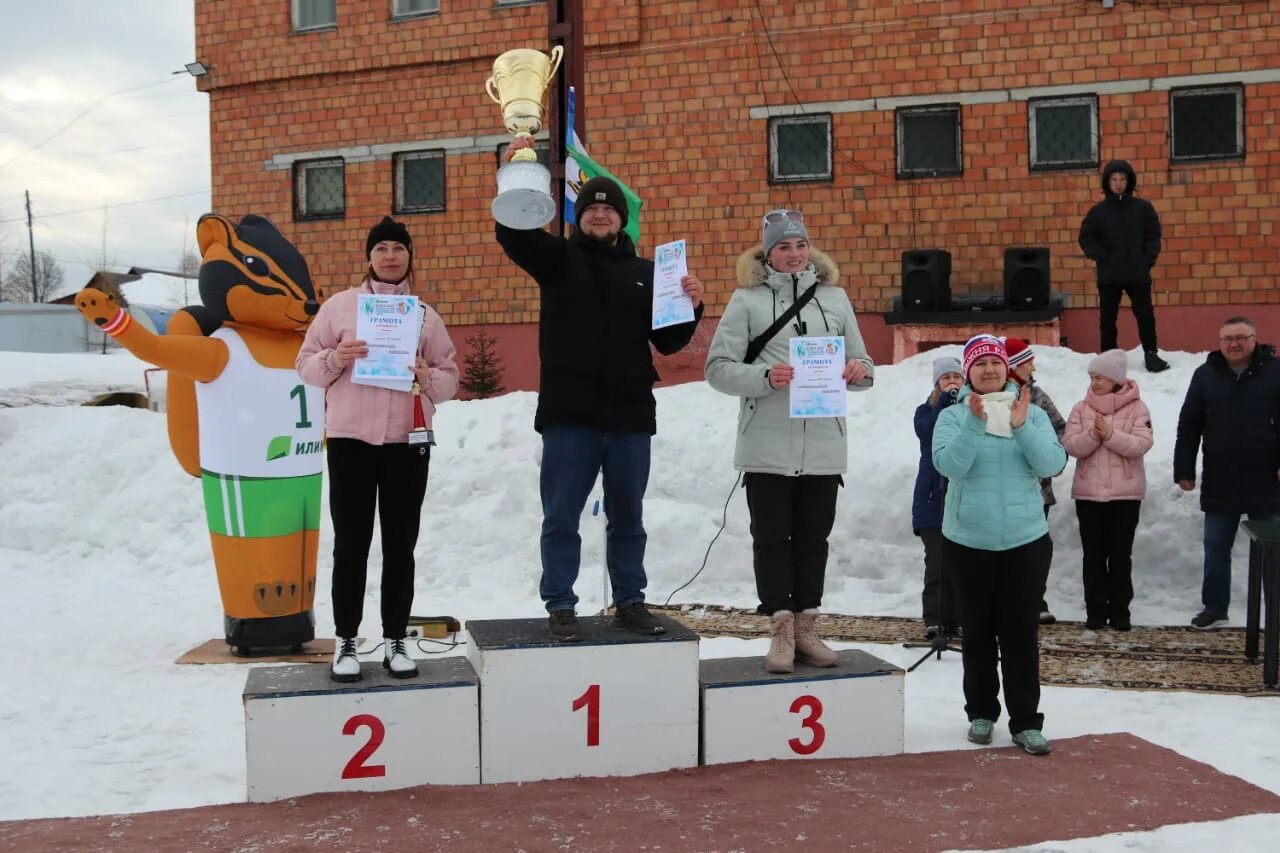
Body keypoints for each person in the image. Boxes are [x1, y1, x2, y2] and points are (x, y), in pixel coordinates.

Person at [495, 136, 704, 642]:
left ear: (621, 221)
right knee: (562, 516)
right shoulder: (557, 260)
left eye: (609, 212)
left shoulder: (649, 274)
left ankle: (630, 600)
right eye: (592, 210)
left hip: (631, 415)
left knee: (629, 517)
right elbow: (514, 235)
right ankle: (561, 603)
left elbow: (670, 342)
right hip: (571, 415)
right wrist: (515, 176)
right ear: (579, 218)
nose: (601, 217)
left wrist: (692, 305)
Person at [705, 209, 874, 673]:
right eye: (784, 247)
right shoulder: (746, 301)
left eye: (800, 245)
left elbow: (862, 363)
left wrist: (859, 371)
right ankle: (779, 630)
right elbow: (717, 369)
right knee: (772, 538)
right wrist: (764, 376)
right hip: (767, 444)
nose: (794, 255)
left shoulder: (836, 298)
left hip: (822, 443)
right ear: (768, 253)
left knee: (814, 539)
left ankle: (807, 628)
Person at [297, 216, 459, 682]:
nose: (390, 255)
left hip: (406, 444)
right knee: (351, 544)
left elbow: (449, 380)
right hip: (350, 442)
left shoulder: (425, 315)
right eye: (382, 247)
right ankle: (347, 641)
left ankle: (395, 641)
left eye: (399, 248)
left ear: (410, 257)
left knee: (400, 545)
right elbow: (305, 364)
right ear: (368, 257)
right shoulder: (340, 308)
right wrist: (336, 358)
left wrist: (426, 373)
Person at [932, 334, 1066, 755]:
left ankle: (1026, 721)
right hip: (968, 540)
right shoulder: (953, 416)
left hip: (1025, 540)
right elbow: (950, 465)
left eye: (995, 363)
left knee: (1020, 633)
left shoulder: (1030, 410)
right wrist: (973, 423)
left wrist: (1023, 427)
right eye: (979, 364)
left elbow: (1052, 464)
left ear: (1006, 368)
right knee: (978, 631)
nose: (989, 370)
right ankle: (981, 713)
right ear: (968, 371)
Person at [1174, 317, 1280, 630]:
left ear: (1254, 339)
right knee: (1216, 545)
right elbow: (1189, 424)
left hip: (1268, 478)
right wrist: (1184, 468)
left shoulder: (1275, 372)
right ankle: (1215, 607)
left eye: (1239, 337)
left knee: (1272, 549)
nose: (1233, 344)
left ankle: (1276, 609)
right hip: (1222, 478)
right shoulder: (1205, 375)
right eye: (1226, 339)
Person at [1061, 350, 1154, 631]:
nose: (1095, 383)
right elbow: (1071, 444)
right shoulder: (1081, 408)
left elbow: (1142, 444)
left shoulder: (1138, 408)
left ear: (1115, 379)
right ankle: (1096, 612)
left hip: (1125, 496)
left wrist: (1110, 435)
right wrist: (1094, 434)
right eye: (1092, 377)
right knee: (1093, 556)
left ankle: (1121, 612)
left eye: (1099, 377)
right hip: (1089, 496)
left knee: (1120, 555)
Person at [1078, 159, 1170, 373]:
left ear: (1129, 181)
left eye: (1122, 179)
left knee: (1145, 314)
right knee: (1108, 316)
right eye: (1114, 179)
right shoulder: (1098, 212)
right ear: (1107, 183)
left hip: (1137, 272)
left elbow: (1153, 235)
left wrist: (1147, 259)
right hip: (1109, 274)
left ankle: (1151, 354)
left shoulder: (1143, 208)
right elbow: (1086, 238)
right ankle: (1108, 358)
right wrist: (1101, 256)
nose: (1118, 183)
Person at [1003, 337, 1067, 625]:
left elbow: (1061, 429)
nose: (1033, 365)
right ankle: (1004, 599)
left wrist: (1052, 457)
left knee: (1036, 547)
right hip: (1002, 489)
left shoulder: (1038, 396)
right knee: (1005, 547)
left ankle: (1034, 599)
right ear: (1015, 366)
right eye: (1027, 361)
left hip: (1037, 490)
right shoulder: (996, 396)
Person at [912, 355, 963, 640]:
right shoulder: (925, 410)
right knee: (937, 563)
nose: (952, 382)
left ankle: (957, 618)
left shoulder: (972, 408)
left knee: (961, 564)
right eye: (946, 378)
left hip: (962, 500)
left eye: (957, 378)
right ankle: (935, 618)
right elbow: (927, 433)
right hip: (933, 500)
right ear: (937, 383)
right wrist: (944, 403)